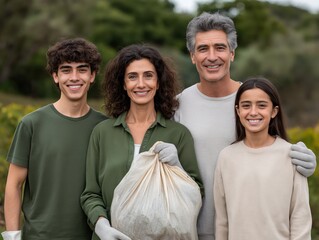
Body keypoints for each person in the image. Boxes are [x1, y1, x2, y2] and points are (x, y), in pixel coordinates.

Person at [173, 12, 317, 240]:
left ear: (232, 53)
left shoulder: (252, 104)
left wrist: (303, 164)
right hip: (189, 230)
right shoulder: (178, 105)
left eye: (220, 48)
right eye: (203, 49)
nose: (212, 56)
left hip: (244, 231)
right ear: (192, 56)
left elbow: (274, 153)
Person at [80, 44, 204, 240]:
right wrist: (102, 225)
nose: (141, 84)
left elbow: (196, 193)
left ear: (158, 82)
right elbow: (90, 194)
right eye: (132, 77)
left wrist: (178, 166)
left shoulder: (178, 134)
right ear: (123, 83)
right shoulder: (102, 133)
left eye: (148, 75)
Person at [1, 38, 107, 240]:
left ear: (92, 75)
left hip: (91, 236)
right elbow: (14, 184)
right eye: (66, 70)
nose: (74, 77)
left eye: (82, 70)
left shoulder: (104, 127)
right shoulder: (31, 124)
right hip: (39, 236)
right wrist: (13, 236)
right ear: (55, 76)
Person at [214, 77, 312, 239]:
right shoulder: (226, 157)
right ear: (238, 111)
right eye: (246, 106)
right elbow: (222, 222)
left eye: (261, 105)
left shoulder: (291, 156)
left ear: (274, 111)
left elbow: (300, 218)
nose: (253, 112)